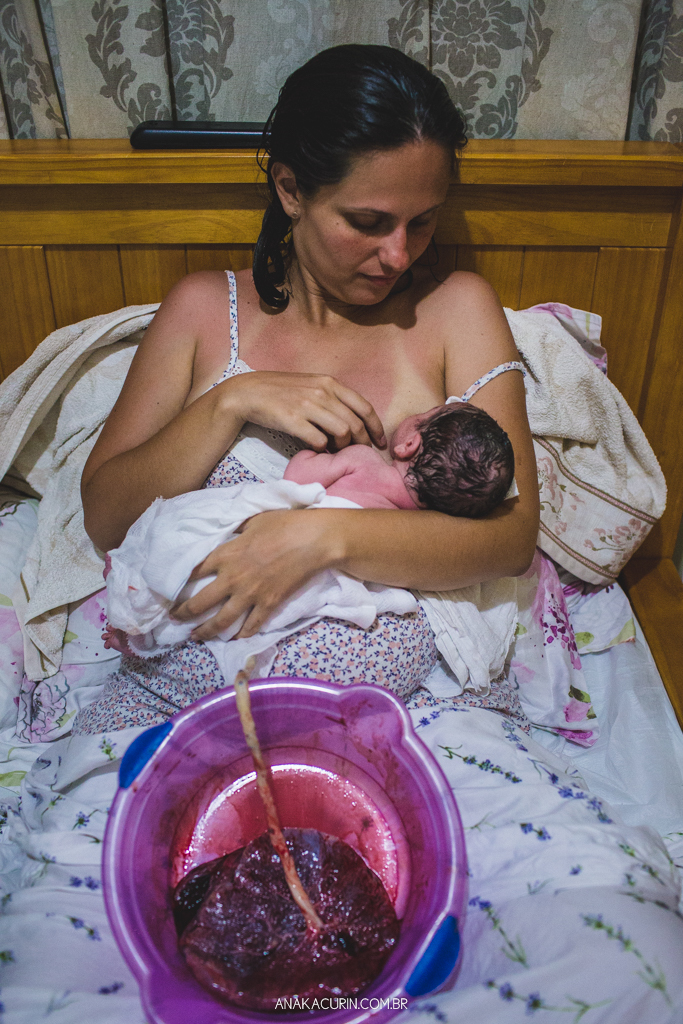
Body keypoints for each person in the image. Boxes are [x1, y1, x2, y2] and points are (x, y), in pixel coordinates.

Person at [75, 43, 539, 733]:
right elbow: (107, 517)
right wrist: (233, 400)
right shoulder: (205, 311)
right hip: (191, 698)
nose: (398, 254)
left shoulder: (456, 310)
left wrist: (320, 539)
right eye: (367, 222)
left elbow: (511, 538)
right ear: (291, 190)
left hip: (406, 707)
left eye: (422, 221)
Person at [284, 398, 516, 515]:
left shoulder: (363, 460)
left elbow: (296, 480)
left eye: (422, 415)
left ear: (410, 444)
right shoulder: (414, 525)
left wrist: (314, 450)